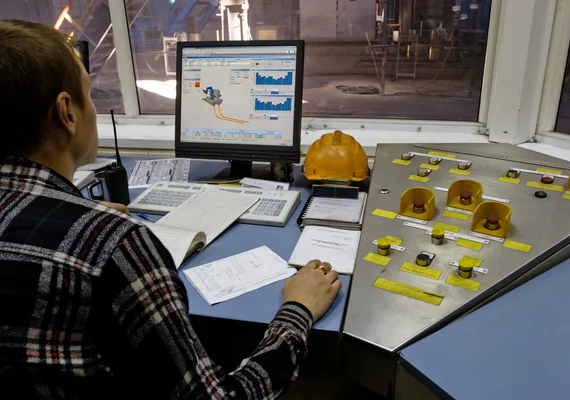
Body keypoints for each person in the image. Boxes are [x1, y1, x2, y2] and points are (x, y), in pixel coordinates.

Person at [0, 20, 342, 399]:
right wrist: (297, 310)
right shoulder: (117, 245)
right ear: (67, 112)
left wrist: (76, 211)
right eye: (90, 95)